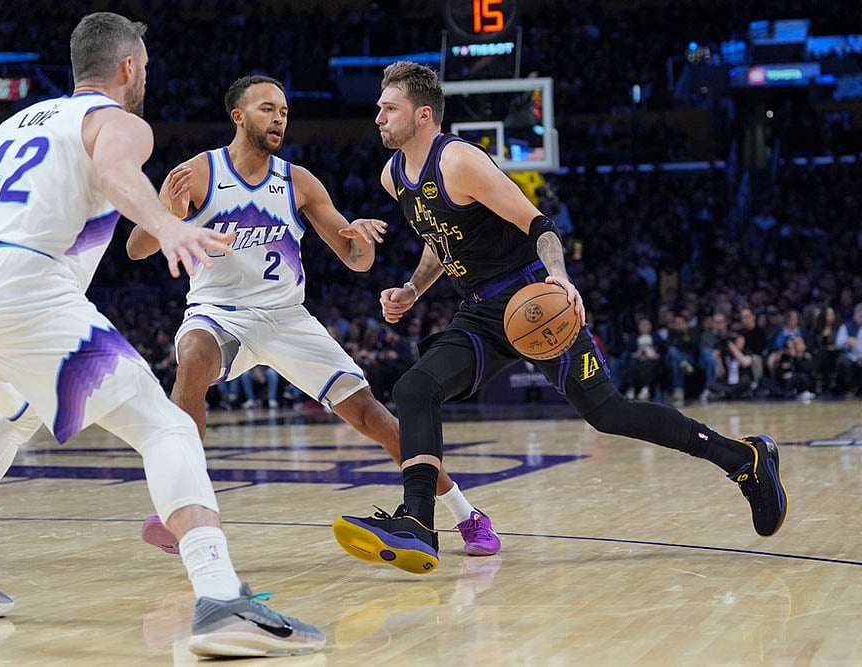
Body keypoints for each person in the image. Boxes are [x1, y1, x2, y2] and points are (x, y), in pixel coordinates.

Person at [0, 14, 323, 658]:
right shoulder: (118, 121)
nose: (146, 76)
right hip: (23, 286)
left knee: (17, 412)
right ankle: (220, 599)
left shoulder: (20, 121)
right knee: (167, 427)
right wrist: (168, 225)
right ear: (127, 67)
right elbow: (119, 172)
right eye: (144, 66)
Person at [332, 61, 787, 575]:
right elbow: (440, 240)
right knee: (415, 388)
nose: (378, 117)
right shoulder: (393, 177)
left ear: (422, 115)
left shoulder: (459, 161)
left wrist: (560, 278)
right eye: (379, 108)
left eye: (389, 108)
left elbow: (539, 224)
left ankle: (743, 460)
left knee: (608, 414)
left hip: (534, 301)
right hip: (481, 313)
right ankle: (417, 522)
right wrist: (413, 289)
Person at [127, 74, 500, 558]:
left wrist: (361, 239)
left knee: (371, 416)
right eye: (267, 109)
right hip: (220, 314)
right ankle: (183, 507)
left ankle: (466, 515)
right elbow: (136, 249)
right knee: (193, 357)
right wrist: (170, 214)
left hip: (287, 317)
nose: (278, 118)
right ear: (238, 116)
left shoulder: (298, 182)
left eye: (283, 111)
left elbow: (355, 259)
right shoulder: (197, 173)